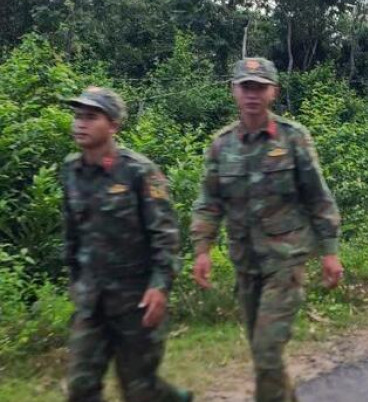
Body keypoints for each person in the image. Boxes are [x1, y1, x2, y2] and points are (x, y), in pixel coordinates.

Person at [191, 57, 344, 401]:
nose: (252, 94)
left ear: (272, 92)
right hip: (245, 264)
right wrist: (202, 250)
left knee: (267, 350)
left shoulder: (293, 139)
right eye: (245, 86)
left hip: (285, 262)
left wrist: (330, 252)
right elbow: (208, 202)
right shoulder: (221, 145)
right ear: (234, 91)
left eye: (259, 87)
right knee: (265, 358)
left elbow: (318, 197)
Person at [61, 86, 191, 402]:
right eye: (78, 116)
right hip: (92, 300)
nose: (81, 123)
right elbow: (72, 233)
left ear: (114, 125)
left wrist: (160, 286)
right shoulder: (71, 170)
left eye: (91, 117)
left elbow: (166, 235)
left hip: (137, 301)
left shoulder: (139, 172)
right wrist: (75, 281)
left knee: (139, 389)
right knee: (81, 386)